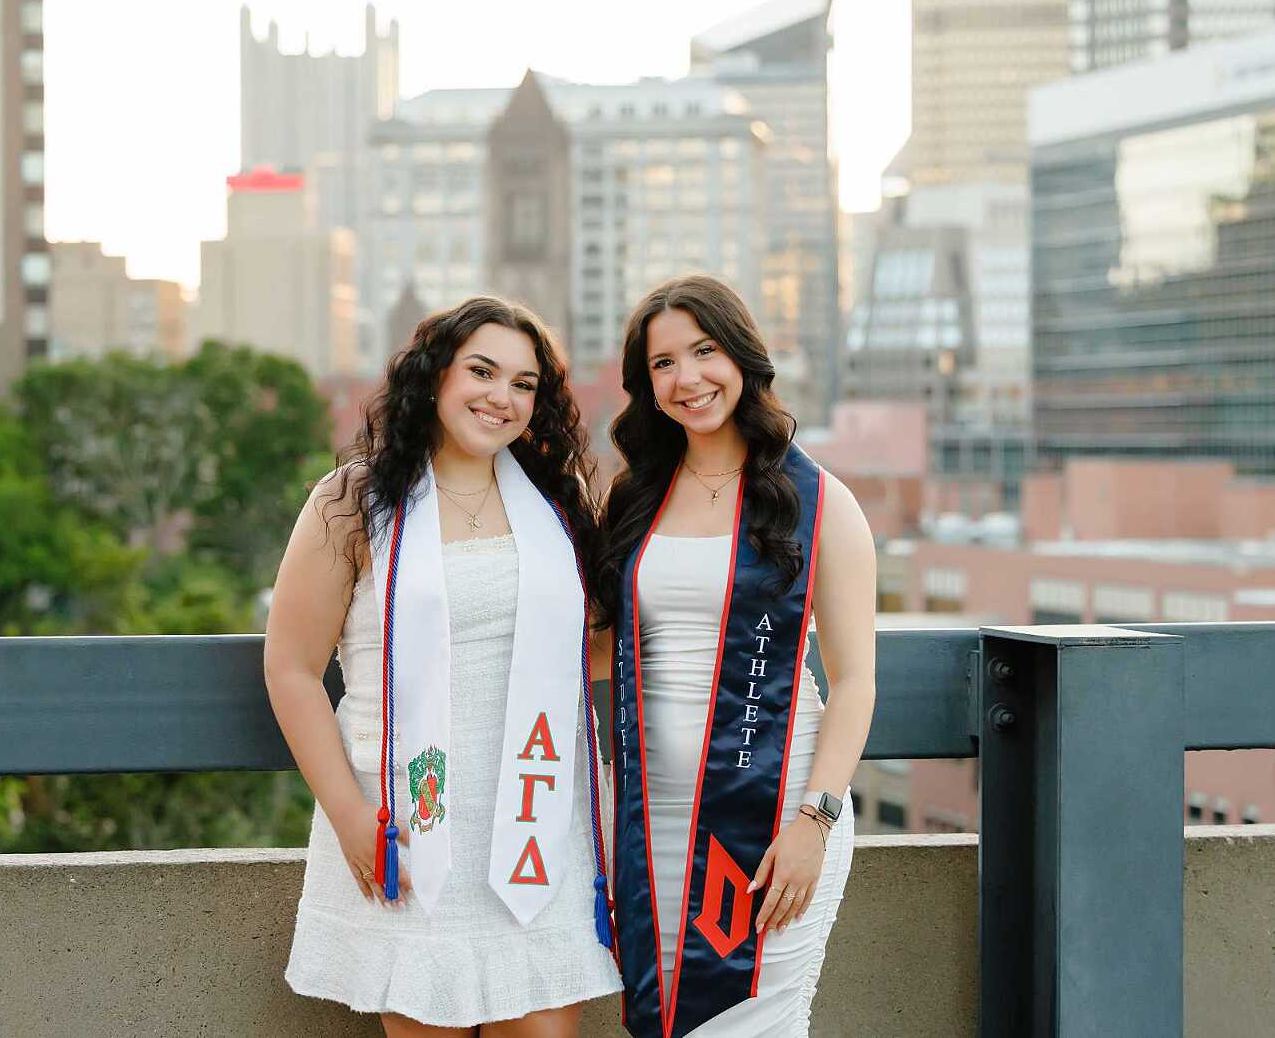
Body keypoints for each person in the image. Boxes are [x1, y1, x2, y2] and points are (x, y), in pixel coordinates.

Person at [265, 296, 621, 1037]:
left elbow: (591, 646)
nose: (503, 396)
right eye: (483, 371)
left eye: (524, 384)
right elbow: (293, 667)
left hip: (539, 823)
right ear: (433, 377)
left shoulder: (559, 507)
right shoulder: (354, 502)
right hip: (411, 825)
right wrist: (349, 814)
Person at [595, 275, 877, 1036]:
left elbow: (854, 683)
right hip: (647, 815)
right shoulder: (635, 499)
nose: (687, 378)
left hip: (775, 812)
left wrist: (813, 823)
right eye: (662, 364)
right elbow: (596, 647)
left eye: (704, 350)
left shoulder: (817, 502)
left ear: (743, 357)